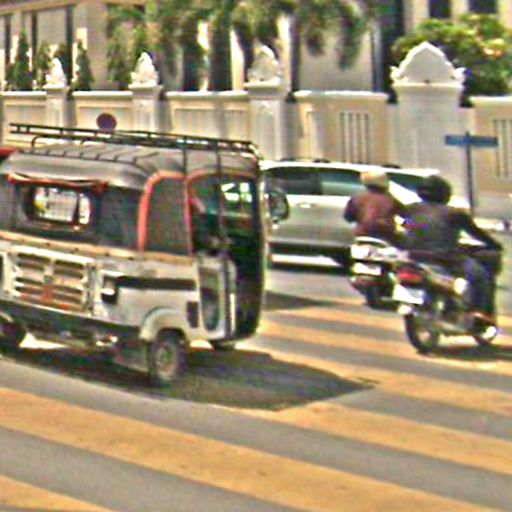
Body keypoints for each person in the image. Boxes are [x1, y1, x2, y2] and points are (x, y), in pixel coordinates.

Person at [403, 175, 503, 322]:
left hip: (414, 256)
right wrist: (495, 245)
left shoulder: (411, 210)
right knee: (479, 276)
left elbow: (408, 226)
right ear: (444, 193)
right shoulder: (454, 213)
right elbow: (476, 233)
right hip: (445, 258)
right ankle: (478, 312)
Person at [344, 170, 404, 244]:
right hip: (386, 236)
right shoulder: (391, 200)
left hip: (362, 234)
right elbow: (405, 215)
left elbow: (348, 218)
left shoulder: (356, 198)